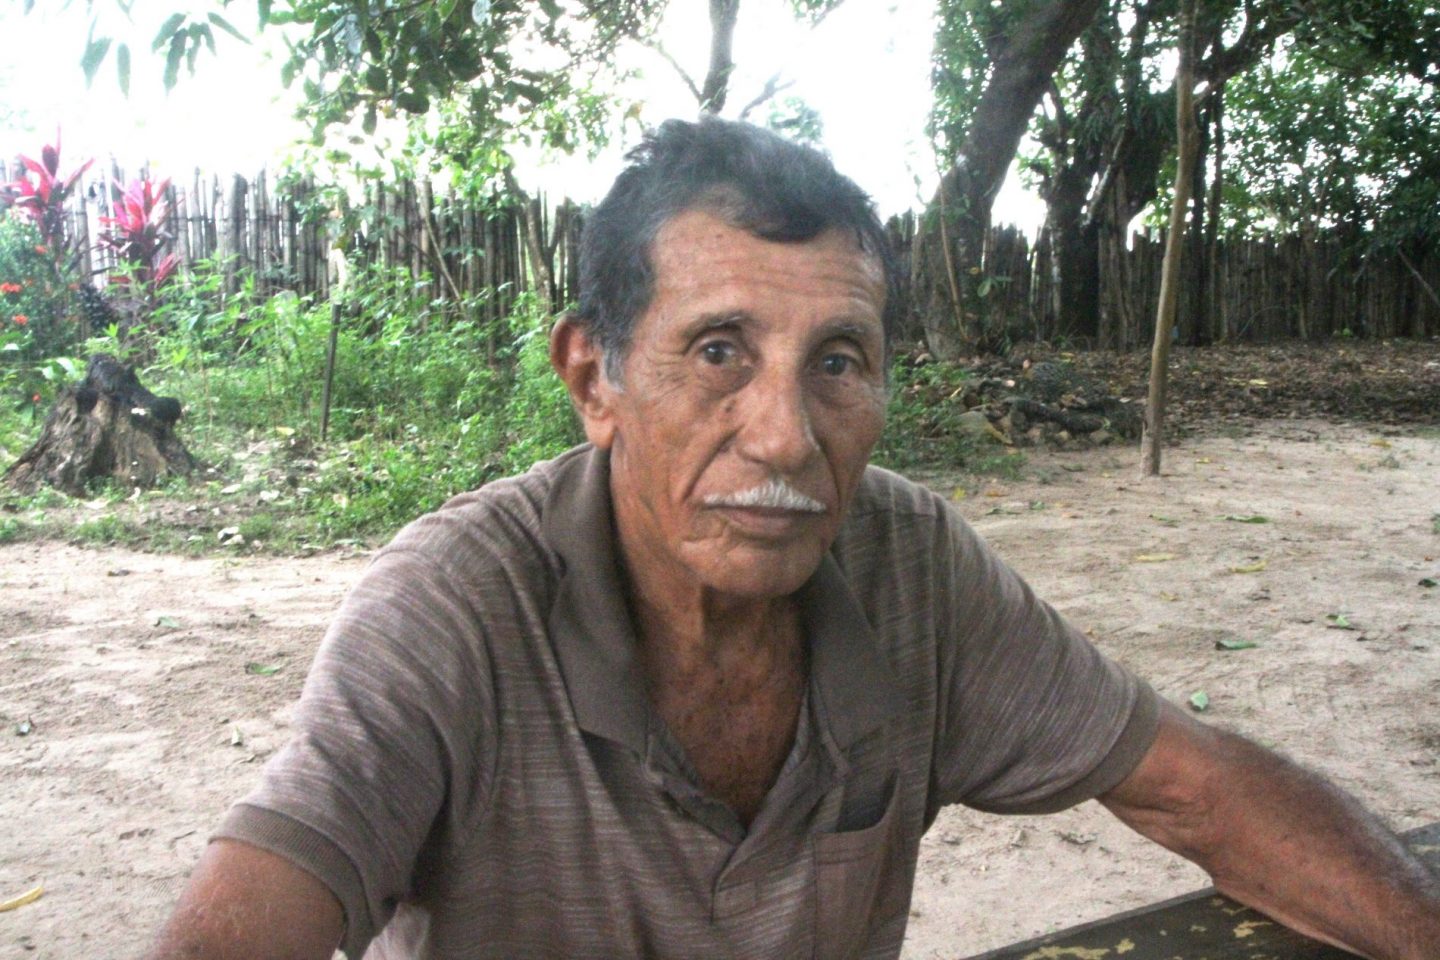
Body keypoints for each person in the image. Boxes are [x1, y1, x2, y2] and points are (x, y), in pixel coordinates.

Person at [146, 117, 1440, 960]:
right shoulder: (457, 606)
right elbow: (254, 911)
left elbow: (1193, 785)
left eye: (838, 362)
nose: (785, 435)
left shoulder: (911, 569)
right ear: (595, 381)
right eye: (719, 352)